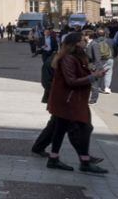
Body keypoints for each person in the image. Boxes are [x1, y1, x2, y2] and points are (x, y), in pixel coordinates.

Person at [41, 32, 108, 173]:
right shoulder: (68, 59)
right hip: (69, 100)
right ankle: (84, 161)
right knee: (84, 128)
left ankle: (54, 159)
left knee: (60, 129)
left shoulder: (75, 57)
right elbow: (71, 81)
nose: (86, 42)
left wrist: (93, 73)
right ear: (77, 43)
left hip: (69, 99)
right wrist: (92, 77)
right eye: (83, 40)